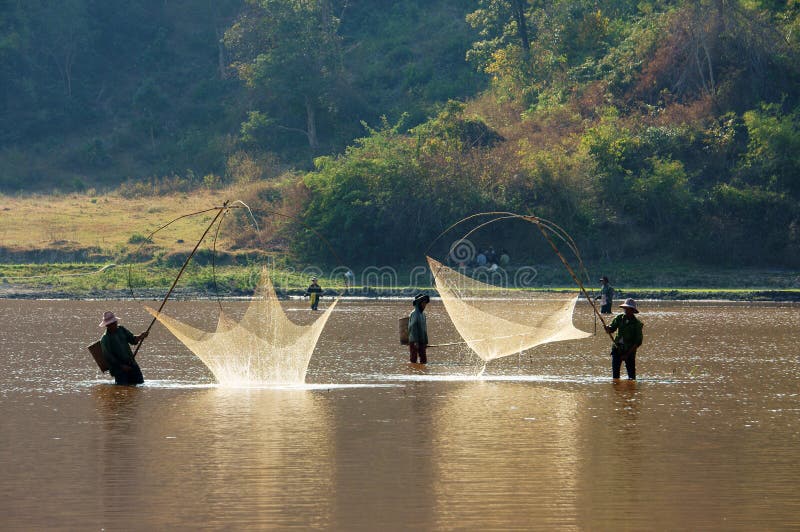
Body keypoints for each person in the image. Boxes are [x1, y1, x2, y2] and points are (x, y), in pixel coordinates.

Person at [99, 311, 148, 385]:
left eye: (115, 322)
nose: (116, 324)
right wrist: (122, 366)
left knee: (140, 384)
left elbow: (133, 340)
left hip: (131, 364)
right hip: (119, 371)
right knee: (123, 387)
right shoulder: (105, 339)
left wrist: (141, 336)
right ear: (108, 325)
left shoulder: (121, 329)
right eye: (113, 323)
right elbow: (109, 357)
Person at [604, 298, 643, 380]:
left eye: (628, 309)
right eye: (625, 308)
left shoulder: (637, 324)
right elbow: (612, 329)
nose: (625, 310)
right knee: (615, 376)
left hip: (629, 350)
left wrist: (627, 354)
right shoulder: (619, 318)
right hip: (617, 348)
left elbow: (637, 342)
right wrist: (608, 328)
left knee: (631, 376)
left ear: (632, 310)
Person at [408, 293, 430, 364]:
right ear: (419, 303)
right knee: (413, 360)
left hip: (421, 341)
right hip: (414, 341)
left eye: (425, 303)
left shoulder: (423, 315)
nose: (425, 305)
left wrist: (425, 342)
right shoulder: (414, 314)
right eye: (423, 303)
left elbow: (424, 329)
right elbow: (413, 328)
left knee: (423, 360)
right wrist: (416, 342)